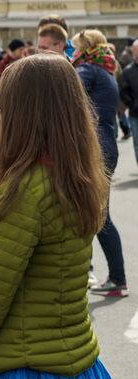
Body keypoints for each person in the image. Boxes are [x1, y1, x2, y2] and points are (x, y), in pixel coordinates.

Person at [0, 52, 120, 379]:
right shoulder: (76, 176)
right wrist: (6, 141)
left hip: (24, 374)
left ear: (24, 112)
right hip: (76, 364)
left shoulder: (24, 190)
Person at [71, 29, 128, 296]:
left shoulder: (88, 69)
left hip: (95, 147)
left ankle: (117, 279)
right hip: (106, 145)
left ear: (85, 46)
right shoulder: (105, 69)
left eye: (75, 46)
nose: (73, 51)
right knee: (98, 216)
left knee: (98, 218)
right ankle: (114, 277)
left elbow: (66, 92)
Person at [121, 40, 138, 159]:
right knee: (137, 143)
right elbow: (123, 91)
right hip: (135, 114)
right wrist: (132, 103)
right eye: (136, 52)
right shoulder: (128, 71)